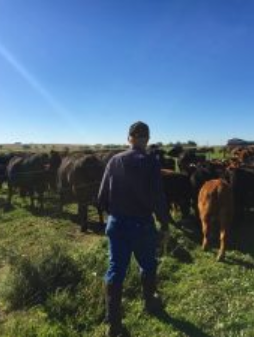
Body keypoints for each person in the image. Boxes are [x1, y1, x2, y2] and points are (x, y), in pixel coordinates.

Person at [98, 121, 172, 337]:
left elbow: (101, 198)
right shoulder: (151, 162)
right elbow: (159, 197)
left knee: (115, 271)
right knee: (148, 265)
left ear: (128, 138)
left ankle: (114, 325)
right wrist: (165, 224)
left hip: (117, 224)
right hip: (142, 225)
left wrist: (116, 215)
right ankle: (150, 302)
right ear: (147, 139)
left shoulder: (114, 160)